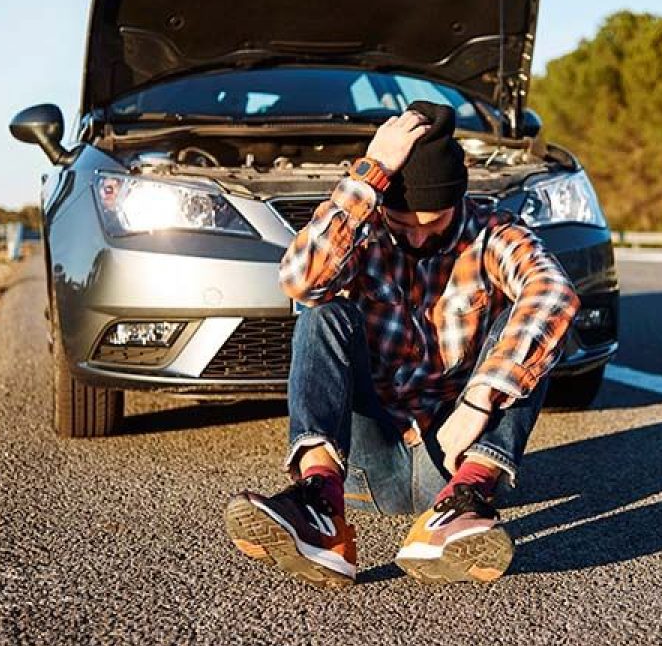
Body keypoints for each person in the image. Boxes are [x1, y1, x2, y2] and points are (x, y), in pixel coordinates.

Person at [224, 100, 580, 588]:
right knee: (322, 312)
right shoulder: (365, 227)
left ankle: (460, 509)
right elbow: (299, 279)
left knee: (529, 328)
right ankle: (320, 511)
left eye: (431, 222)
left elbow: (554, 293)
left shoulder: (491, 230)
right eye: (403, 223)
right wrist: (371, 174)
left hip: (456, 455)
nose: (416, 235)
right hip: (367, 468)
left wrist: (480, 399)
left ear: (458, 200)